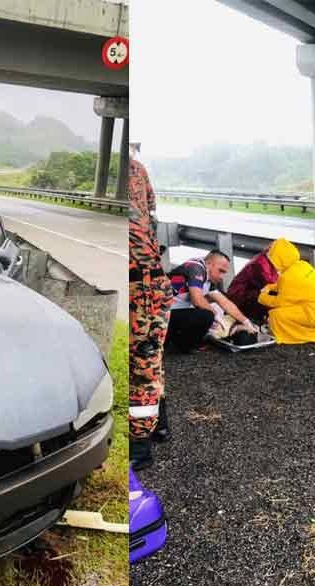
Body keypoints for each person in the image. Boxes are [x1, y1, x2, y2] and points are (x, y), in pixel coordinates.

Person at [127, 145, 172, 472]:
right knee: (149, 358)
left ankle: (139, 447)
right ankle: (157, 426)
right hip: (148, 282)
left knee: (141, 364)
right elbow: (151, 213)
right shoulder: (138, 169)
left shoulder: (129, 171)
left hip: (141, 286)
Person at [167, 250, 255, 353]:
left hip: (172, 311)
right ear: (208, 264)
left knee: (211, 309)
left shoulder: (207, 275)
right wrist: (216, 316)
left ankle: (180, 340)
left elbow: (225, 302)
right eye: (220, 271)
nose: (222, 277)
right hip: (162, 313)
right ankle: (183, 346)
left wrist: (246, 321)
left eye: (224, 273)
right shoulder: (196, 268)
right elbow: (197, 300)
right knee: (205, 315)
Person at [256, 239, 315, 344]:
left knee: (276, 315)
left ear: (279, 259)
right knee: (292, 308)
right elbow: (291, 287)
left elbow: (279, 302)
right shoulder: (302, 265)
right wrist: (271, 287)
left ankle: (296, 336)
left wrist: (261, 297)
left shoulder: (288, 277)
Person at [225, 243, 279, 324]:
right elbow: (268, 283)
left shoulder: (270, 264)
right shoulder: (260, 263)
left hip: (247, 296)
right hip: (240, 298)